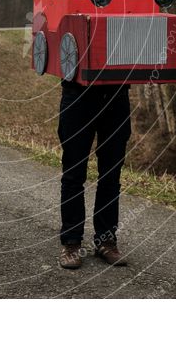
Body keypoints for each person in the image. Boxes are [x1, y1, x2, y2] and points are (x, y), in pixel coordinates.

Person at [57, 78, 132, 269]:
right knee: (74, 174)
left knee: (111, 175)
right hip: (77, 95)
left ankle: (106, 242)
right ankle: (71, 243)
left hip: (117, 95)